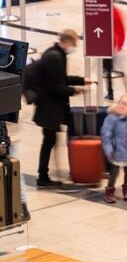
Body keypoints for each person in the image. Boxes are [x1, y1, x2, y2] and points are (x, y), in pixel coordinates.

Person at [34, 30, 90, 188]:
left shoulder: (55, 54)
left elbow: (60, 79)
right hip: (49, 108)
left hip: (52, 107)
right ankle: (43, 177)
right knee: (49, 140)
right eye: (74, 44)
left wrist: (80, 81)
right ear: (66, 42)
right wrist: (76, 90)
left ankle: (49, 174)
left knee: (55, 138)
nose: (74, 47)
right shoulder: (55, 57)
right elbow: (55, 87)